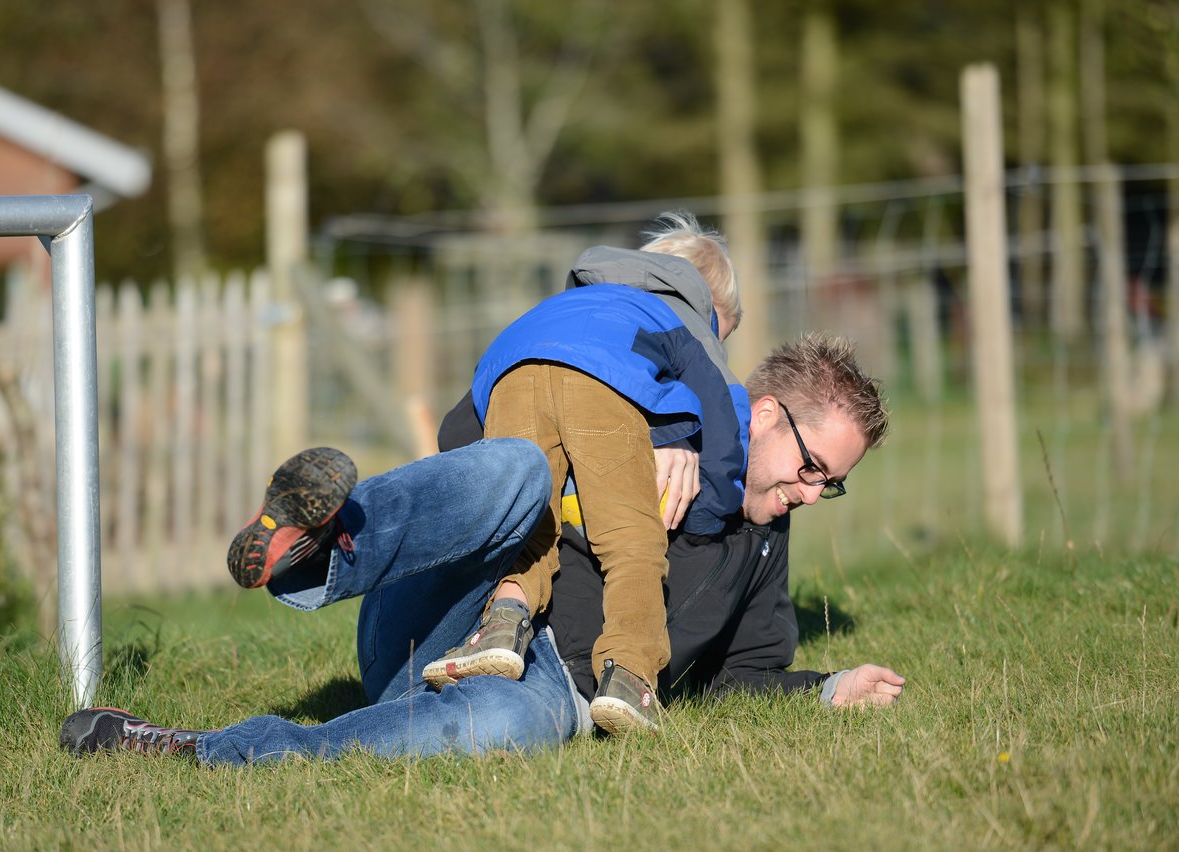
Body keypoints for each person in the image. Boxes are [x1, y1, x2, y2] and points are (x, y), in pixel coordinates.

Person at [60, 334, 905, 765]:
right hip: (459, 607)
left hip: (543, 685)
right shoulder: (657, 418)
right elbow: (463, 435)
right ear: (761, 415)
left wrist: (828, 688)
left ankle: (194, 748)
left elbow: (730, 675)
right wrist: (638, 442)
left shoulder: (764, 540)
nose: (808, 494)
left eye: (827, 485)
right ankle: (318, 554)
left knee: (516, 722)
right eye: (810, 469)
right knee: (514, 467)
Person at [419, 212, 751, 735]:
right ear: (707, 304)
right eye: (722, 334)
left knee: (526, 531)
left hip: (512, 370)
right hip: (604, 391)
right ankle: (629, 679)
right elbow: (726, 425)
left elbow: (456, 432)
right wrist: (708, 513)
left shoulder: (560, 307)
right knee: (632, 543)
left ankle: (500, 631)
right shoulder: (681, 314)